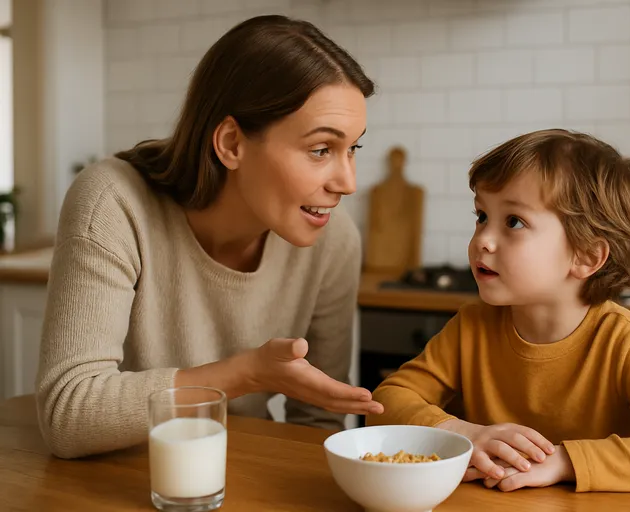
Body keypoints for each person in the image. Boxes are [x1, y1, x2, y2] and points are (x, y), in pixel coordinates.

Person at [35, 15, 384, 459]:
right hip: (112, 480)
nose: (348, 182)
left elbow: (317, 423)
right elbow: (69, 413)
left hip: (242, 474)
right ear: (232, 143)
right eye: (321, 150)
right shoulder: (113, 203)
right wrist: (246, 374)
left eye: (353, 148)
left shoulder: (335, 238)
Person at [367, 129, 630, 492]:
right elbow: (386, 400)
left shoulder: (627, 340)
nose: (483, 240)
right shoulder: (472, 326)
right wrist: (461, 433)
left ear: (586, 256)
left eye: (514, 222)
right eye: (481, 216)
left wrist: (565, 461)